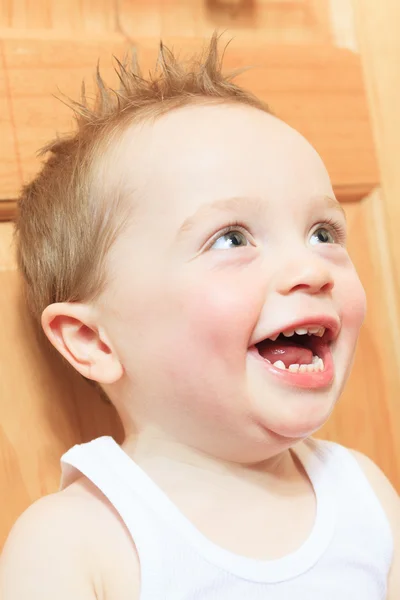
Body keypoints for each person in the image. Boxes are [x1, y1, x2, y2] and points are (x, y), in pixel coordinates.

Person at [0, 34, 398, 599]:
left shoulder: (364, 497)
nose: (310, 267)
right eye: (232, 238)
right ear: (93, 340)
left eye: (322, 232)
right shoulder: (80, 541)